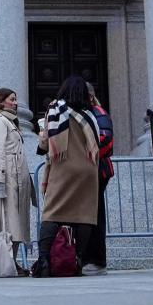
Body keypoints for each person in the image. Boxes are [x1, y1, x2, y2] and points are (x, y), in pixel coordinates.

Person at [31, 75, 100, 278]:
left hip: (63, 166)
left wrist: (42, 141)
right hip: (88, 169)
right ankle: (77, 260)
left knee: (53, 212)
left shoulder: (56, 109)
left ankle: (43, 260)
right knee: (84, 215)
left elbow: (46, 141)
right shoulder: (89, 115)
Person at [0, 88, 33, 276]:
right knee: (8, 223)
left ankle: (11, 262)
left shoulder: (9, 121)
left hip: (16, 179)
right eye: (12, 99)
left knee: (16, 223)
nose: (15, 102)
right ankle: (6, 262)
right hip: (7, 180)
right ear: (1, 101)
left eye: (15, 99)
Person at [82, 82, 113, 276]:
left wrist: (81, 154)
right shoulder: (90, 113)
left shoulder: (98, 113)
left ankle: (97, 260)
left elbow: (106, 142)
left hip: (97, 171)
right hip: (87, 171)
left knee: (95, 216)